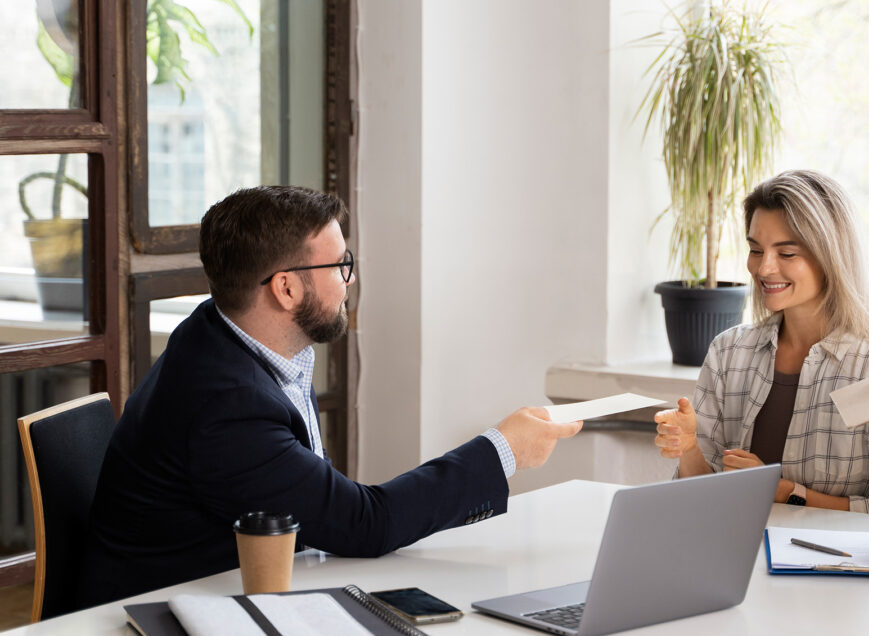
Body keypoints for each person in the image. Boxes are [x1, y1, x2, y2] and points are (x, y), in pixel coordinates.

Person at [76, 186, 582, 608]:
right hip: (172, 623)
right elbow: (365, 524)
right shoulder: (226, 407)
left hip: (244, 592)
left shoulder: (224, 332)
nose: (351, 278)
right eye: (340, 264)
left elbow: (325, 513)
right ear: (287, 290)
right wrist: (505, 449)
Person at [653, 170, 869, 516]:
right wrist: (687, 449)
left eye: (786, 254)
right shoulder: (729, 353)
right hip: (735, 558)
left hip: (838, 567)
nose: (764, 268)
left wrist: (783, 491)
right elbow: (702, 500)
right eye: (755, 250)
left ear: (831, 257)